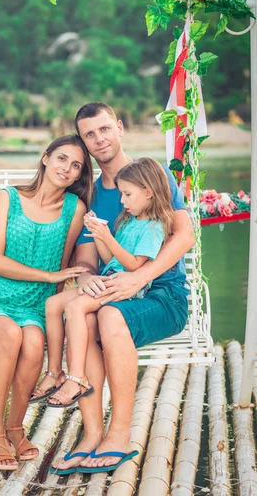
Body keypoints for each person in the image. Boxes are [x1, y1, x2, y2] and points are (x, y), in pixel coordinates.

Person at [52, 102, 195, 475]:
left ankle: (119, 433)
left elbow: (184, 236)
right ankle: (92, 433)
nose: (98, 139)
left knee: (107, 316)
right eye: (89, 135)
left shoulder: (153, 176)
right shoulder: (92, 196)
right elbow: (87, 261)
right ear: (84, 142)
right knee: (82, 315)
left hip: (162, 294)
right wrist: (84, 278)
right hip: (117, 288)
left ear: (118, 127)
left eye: (103, 129)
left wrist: (141, 277)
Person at [0, 134, 93, 471]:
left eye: (76, 166)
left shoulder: (75, 208)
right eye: (61, 159)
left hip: (31, 304)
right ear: (45, 158)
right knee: (10, 335)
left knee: (34, 341)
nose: (66, 169)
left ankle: (14, 428)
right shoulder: (7, 198)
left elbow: (65, 260)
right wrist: (50, 277)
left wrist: (57, 304)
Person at [30, 158, 173, 414]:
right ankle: (55, 371)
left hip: (124, 287)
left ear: (148, 192)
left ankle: (77, 378)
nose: (123, 201)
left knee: (75, 308)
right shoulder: (129, 220)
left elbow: (133, 266)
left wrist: (107, 237)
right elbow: (111, 260)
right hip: (109, 279)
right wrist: (98, 235)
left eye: (127, 195)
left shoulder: (154, 226)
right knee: (53, 304)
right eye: (121, 194)